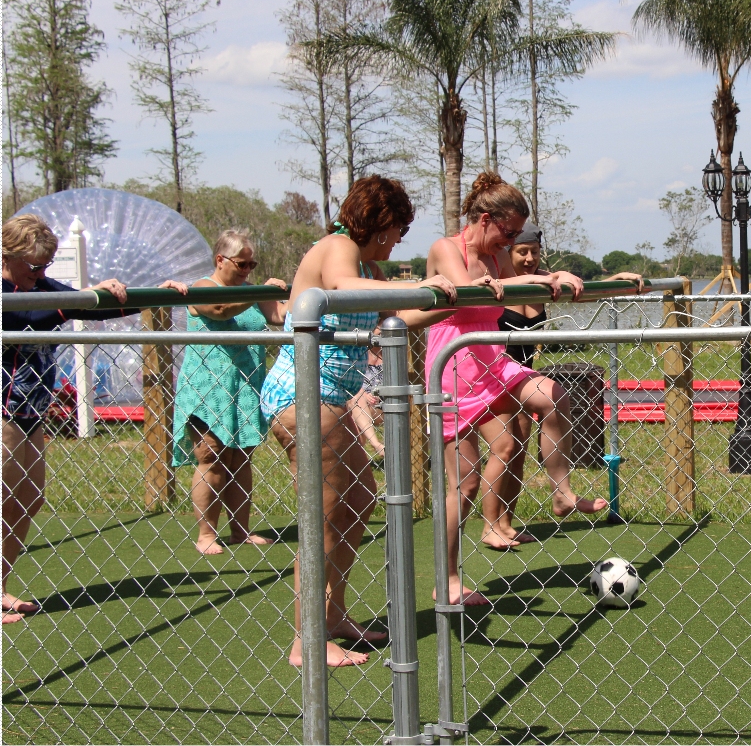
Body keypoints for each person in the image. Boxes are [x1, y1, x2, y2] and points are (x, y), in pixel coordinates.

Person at [258, 176, 456, 667]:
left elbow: (395, 318)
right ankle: (307, 639)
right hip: (301, 396)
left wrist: (448, 302)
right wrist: (419, 284)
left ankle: (333, 614)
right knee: (323, 516)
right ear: (380, 221)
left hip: (331, 400)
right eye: (397, 229)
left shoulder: (365, 265)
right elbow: (345, 289)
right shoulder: (337, 248)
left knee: (360, 499)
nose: (399, 241)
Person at [422, 171, 611, 606]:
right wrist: (511, 283)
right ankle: (447, 578)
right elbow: (469, 292)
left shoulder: (497, 255)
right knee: (464, 484)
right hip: (453, 367)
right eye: (506, 234)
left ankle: (561, 493)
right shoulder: (445, 248)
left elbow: (521, 283)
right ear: (485, 219)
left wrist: (555, 276)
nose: (509, 244)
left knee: (554, 395)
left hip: (490, 360)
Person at [2, 214, 188, 624]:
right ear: (8, 255)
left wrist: (152, 295)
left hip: (31, 412)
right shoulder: (6, 292)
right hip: (4, 411)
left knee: (29, 499)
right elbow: (30, 319)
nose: (42, 273)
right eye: (34, 265)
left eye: (46, 265)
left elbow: (92, 308)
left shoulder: (39, 287)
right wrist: (80, 298)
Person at [482, 222, 642, 550]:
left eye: (534, 253)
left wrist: (614, 283)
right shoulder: (499, 282)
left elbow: (580, 294)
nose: (528, 259)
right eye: (521, 252)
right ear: (507, 251)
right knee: (505, 448)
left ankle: (507, 524)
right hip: (493, 374)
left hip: (523, 373)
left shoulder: (543, 281)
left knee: (519, 451)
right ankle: (490, 526)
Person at [171, 229, 289, 555]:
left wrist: (305, 291)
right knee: (211, 457)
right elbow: (219, 310)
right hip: (208, 387)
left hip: (246, 385)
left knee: (241, 458)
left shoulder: (251, 290)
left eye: (252, 264)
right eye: (242, 263)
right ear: (220, 259)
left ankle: (240, 530)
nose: (247, 270)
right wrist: (260, 292)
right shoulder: (203, 288)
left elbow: (281, 314)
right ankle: (206, 534)